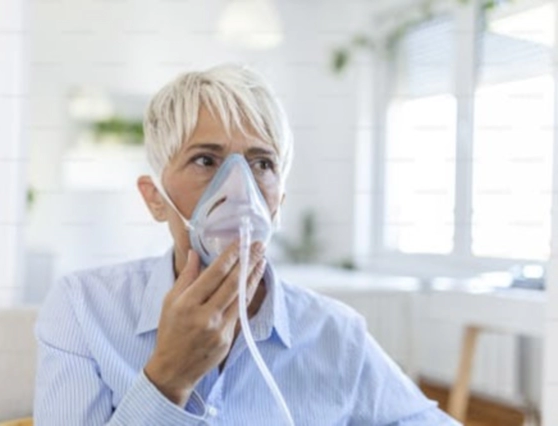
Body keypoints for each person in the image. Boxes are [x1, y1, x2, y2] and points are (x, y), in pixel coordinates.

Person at [33, 64, 460, 425]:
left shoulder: (336, 333)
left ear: (279, 202)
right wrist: (168, 379)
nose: (239, 189)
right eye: (206, 160)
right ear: (155, 199)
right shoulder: (84, 310)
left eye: (261, 163)